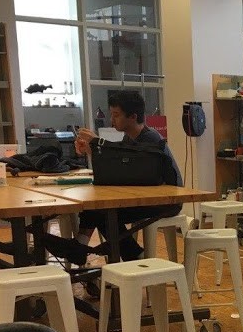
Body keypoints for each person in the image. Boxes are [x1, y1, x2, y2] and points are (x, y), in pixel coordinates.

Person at [43, 90, 184, 265]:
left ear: (132, 117)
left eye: (116, 115)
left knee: (105, 212)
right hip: (144, 197)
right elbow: (122, 171)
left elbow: (139, 172)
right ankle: (85, 247)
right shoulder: (129, 138)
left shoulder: (151, 139)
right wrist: (91, 151)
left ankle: (128, 254)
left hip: (166, 201)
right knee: (101, 207)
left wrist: (98, 143)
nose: (112, 120)